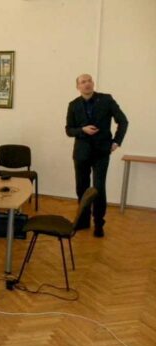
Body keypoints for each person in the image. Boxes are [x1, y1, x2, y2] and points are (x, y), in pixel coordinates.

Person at [66, 73, 128, 237]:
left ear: (93, 83)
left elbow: (123, 121)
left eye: (89, 81)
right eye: (83, 82)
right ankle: (83, 220)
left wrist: (116, 142)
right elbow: (69, 130)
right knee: (82, 188)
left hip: (101, 152)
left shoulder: (106, 99)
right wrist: (82, 130)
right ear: (78, 87)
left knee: (98, 188)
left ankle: (99, 223)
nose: (87, 84)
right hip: (81, 153)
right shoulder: (73, 105)